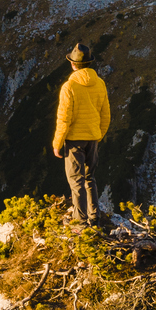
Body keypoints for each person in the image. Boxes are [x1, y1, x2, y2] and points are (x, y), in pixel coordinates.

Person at [51, 43, 110, 225]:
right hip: (92, 137)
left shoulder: (69, 86)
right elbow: (105, 113)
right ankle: (94, 216)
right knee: (89, 178)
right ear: (89, 63)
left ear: (72, 64)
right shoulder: (100, 83)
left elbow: (64, 119)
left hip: (74, 140)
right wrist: (98, 135)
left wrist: (57, 143)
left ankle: (80, 222)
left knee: (76, 180)